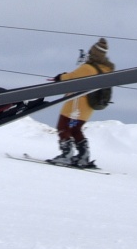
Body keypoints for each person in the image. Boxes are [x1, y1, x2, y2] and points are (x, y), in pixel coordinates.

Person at [45, 39, 115, 168]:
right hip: (88, 107)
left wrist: (59, 77)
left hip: (76, 105)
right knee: (76, 129)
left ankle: (66, 155)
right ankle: (83, 155)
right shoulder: (106, 69)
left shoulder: (88, 68)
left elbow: (71, 77)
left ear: (93, 53)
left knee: (63, 127)